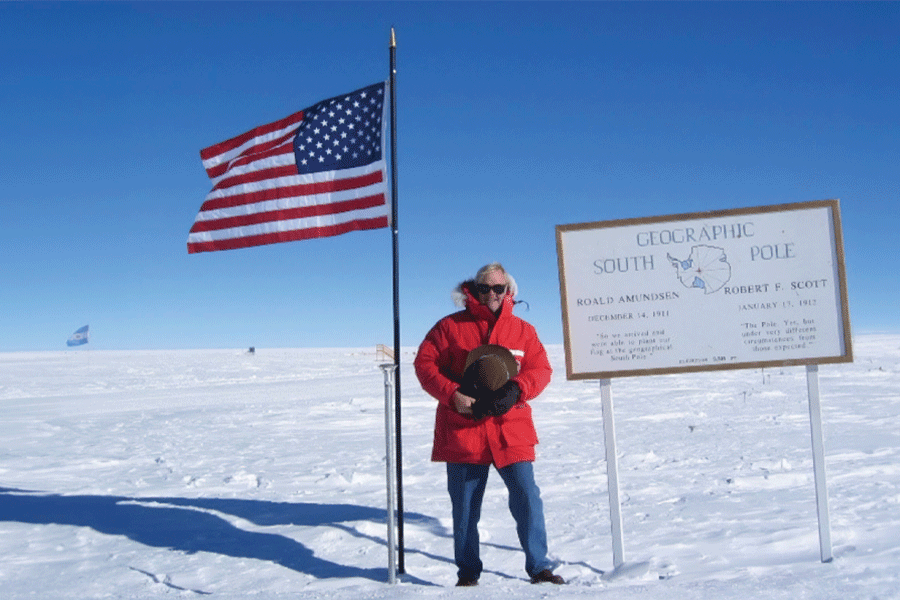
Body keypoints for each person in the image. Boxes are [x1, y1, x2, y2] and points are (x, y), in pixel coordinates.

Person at [414, 262, 565, 587]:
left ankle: (539, 567)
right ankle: (468, 575)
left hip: (511, 430)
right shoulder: (450, 327)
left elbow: (541, 369)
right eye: (486, 288)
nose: (493, 294)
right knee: (466, 508)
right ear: (474, 290)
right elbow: (424, 364)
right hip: (464, 430)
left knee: (527, 498)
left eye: (499, 288)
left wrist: (517, 389)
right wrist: (452, 394)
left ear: (509, 291)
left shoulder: (523, 330)